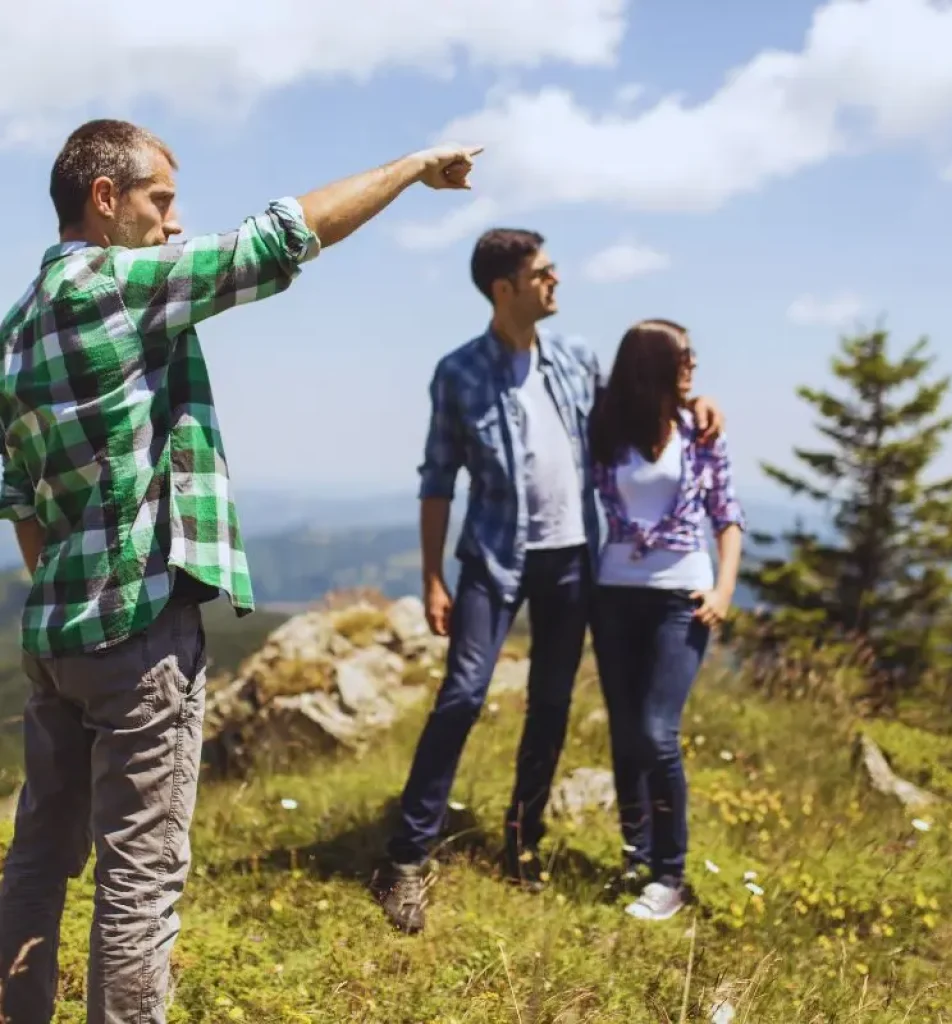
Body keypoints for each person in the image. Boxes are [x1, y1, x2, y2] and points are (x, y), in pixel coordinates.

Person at [0, 117, 482, 1024]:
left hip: (57, 639)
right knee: (140, 883)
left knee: (36, 861)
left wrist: (77, 590)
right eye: (160, 200)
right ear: (104, 201)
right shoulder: (117, 283)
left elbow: (18, 498)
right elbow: (283, 236)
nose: (174, 222)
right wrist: (416, 165)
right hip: (139, 637)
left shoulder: (16, 326)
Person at [373, 230, 725, 935]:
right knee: (464, 692)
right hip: (494, 558)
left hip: (574, 559)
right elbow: (437, 479)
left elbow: (629, 411)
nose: (556, 280)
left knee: (551, 703)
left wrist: (694, 404)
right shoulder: (459, 372)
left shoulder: (574, 358)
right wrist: (432, 576)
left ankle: (521, 841)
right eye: (543, 272)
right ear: (506, 288)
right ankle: (406, 857)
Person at [588, 318, 744, 922]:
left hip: (683, 596)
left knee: (657, 731)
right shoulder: (605, 428)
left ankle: (670, 875)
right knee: (626, 733)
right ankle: (636, 850)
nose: (695, 367)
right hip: (615, 594)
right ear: (653, 365)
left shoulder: (701, 432)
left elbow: (728, 517)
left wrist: (723, 590)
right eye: (686, 358)